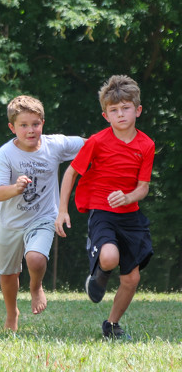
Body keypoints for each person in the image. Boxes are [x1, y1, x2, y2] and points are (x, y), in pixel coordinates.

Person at [55, 75, 154, 340]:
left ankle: (111, 325)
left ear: (138, 110)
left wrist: (129, 196)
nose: (120, 114)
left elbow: (143, 187)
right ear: (105, 115)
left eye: (126, 108)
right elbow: (70, 174)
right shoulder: (96, 142)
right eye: (114, 110)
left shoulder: (146, 145)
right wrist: (62, 209)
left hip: (130, 216)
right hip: (101, 211)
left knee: (132, 280)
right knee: (110, 257)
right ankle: (97, 276)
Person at [0, 95, 84, 332]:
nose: (31, 130)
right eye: (23, 125)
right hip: (11, 222)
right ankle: (12, 313)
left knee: (36, 258)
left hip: (42, 217)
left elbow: (92, 144)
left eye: (35, 124)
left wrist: (119, 134)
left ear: (43, 122)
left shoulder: (55, 145)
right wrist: (15, 188)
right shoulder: (5, 154)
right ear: (12, 127)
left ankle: (36, 287)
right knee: (8, 273)